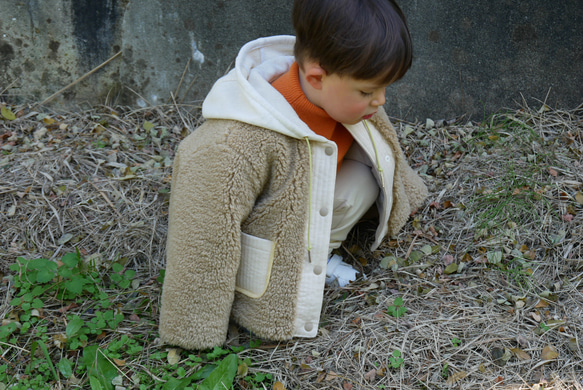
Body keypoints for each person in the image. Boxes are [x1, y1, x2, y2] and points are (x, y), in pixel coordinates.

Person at [159, 0, 427, 350]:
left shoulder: (346, 97)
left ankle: (321, 248)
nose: (381, 101)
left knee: (359, 179)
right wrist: (192, 331)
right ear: (316, 75)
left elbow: (383, 148)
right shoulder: (232, 145)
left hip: (313, 203)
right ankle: (302, 269)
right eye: (368, 91)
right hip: (272, 242)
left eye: (383, 89)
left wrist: (409, 194)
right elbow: (202, 236)